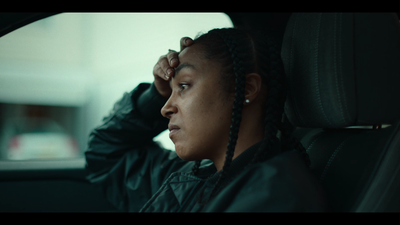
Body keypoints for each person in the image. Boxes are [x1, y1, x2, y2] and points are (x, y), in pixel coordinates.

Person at [85, 28, 328, 212]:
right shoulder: (190, 176)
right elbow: (106, 157)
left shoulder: (273, 197)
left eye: (183, 85)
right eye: (168, 92)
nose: (165, 108)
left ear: (247, 88)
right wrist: (154, 94)